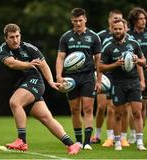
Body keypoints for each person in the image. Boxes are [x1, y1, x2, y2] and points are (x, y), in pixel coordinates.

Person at [0, 23, 81, 155]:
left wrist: (51, 82)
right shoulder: (3, 50)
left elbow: (44, 65)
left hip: (34, 82)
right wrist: (28, 64)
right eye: (12, 37)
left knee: (15, 102)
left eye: (17, 36)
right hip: (22, 85)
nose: (15, 40)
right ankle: (72, 144)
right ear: (6, 39)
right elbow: (11, 63)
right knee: (46, 118)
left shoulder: (30, 48)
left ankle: (21, 141)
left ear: (20, 35)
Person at [56, 8, 101, 150]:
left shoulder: (94, 37)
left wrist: (98, 80)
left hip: (88, 76)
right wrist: (58, 75)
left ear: (85, 19)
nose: (78, 23)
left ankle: (87, 142)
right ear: (71, 21)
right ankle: (79, 141)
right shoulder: (65, 37)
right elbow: (60, 57)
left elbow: (98, 60)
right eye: (75, 21)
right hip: (71, 78)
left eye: (80, 20)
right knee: (75, 109)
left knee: (88, 108)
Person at [99, 18, 147, 151]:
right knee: (118, 114)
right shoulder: (108, 46)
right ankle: (118, 142)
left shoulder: (134, 43)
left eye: (120, 28)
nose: (118, 31)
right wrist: (115, 64)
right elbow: (100, 67)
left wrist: (138, 60)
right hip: (117, 84)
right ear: (112, 30)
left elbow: (144, 61)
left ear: (125, 29)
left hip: (134, 82)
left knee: (137, 112)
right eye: (116, 29)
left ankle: (139, 142)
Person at [91, 10, 130, 147]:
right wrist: (97, 75)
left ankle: (120, 138)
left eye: (119, 19)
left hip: (121, 78)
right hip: (105, 75)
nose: (117, 21)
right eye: (114, 19)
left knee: (120, 108)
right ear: (109, 20)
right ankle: (98, 135)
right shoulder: (101, 36)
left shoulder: (127, 38)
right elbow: (96, 56)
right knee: (102, 107)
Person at [127, 7, 147, 143]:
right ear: (134, 20)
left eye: (144, 18)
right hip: (130, 74)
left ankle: (140, 133)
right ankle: (132, 133)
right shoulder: (128, 35)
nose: (143, 21)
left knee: (142, 105)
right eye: (140, 19)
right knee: (131, 105)